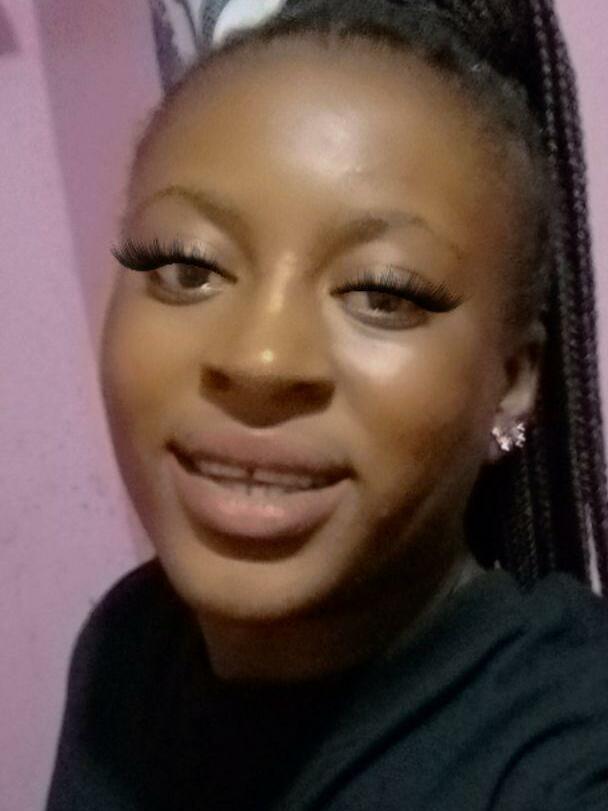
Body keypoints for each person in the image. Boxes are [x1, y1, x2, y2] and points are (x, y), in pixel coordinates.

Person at [46, 1, 608, 809]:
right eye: (188, 267)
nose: (261, 359)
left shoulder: (570, 751)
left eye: (382, 293)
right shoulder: (125, 650)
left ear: (513, 378)